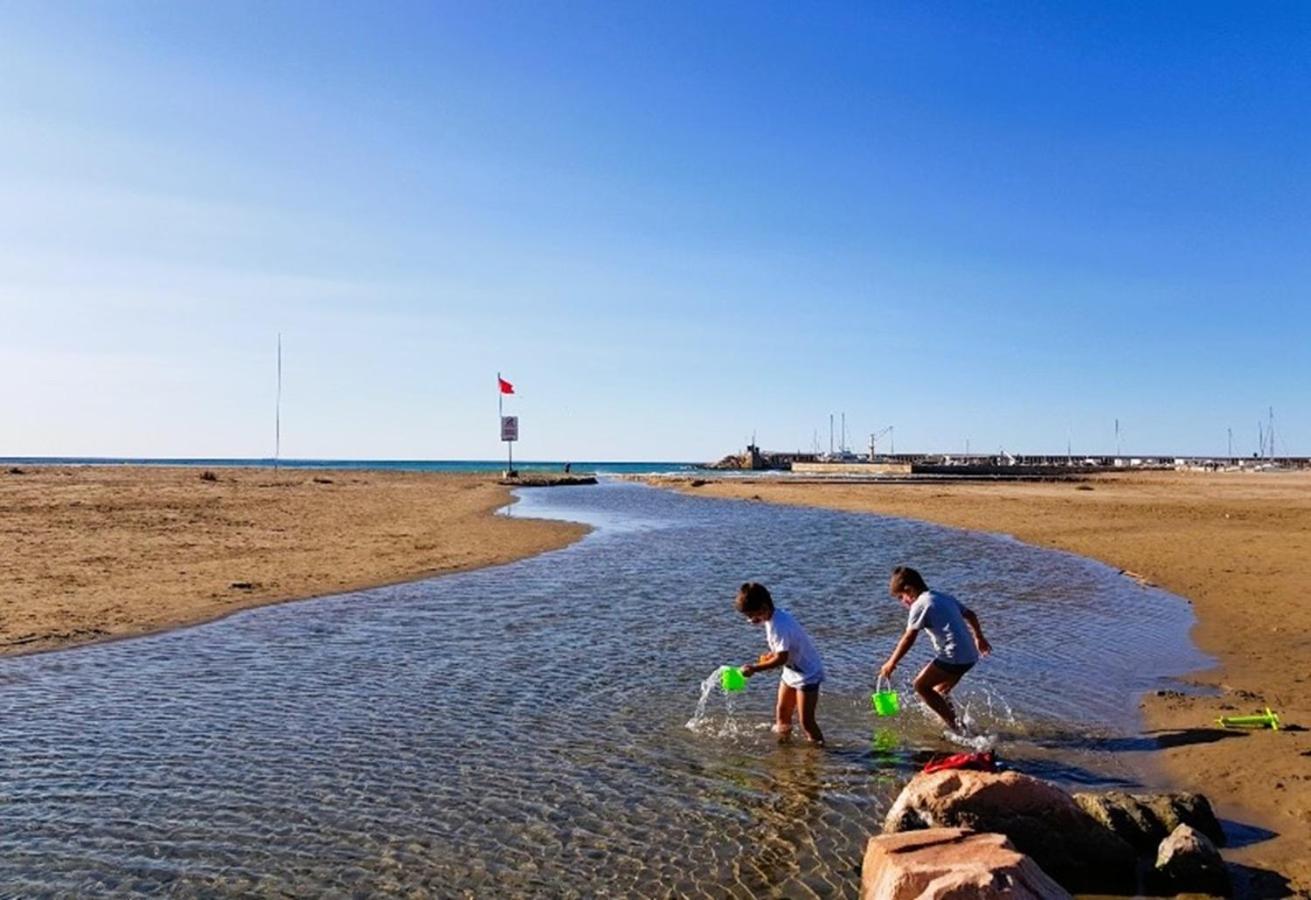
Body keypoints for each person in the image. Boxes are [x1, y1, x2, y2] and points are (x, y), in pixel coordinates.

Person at [878, 565, 991, 733]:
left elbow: (909, 637)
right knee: (940, 691)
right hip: (970, 656)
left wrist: (891, 663)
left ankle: (957, 728)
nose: (903, 603)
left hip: (953, 656)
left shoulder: (920, 604)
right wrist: (979, 637)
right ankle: (957, 724)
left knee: (920, 686)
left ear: (909, 589)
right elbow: (971, 614)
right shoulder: (943, 597)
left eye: (901, 597)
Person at [736, 581, 825, 746]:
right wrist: (772, 656)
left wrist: (754, 668)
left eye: (752, 615)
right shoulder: (772, 618)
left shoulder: (779, 625)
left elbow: (781, 659)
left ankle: (820, 751)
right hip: (791, 671)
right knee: (782, 712)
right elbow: (782, 652)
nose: (751, 620)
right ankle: (784, 748)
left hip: (807, 674)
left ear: (763, 607)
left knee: (806, 721)